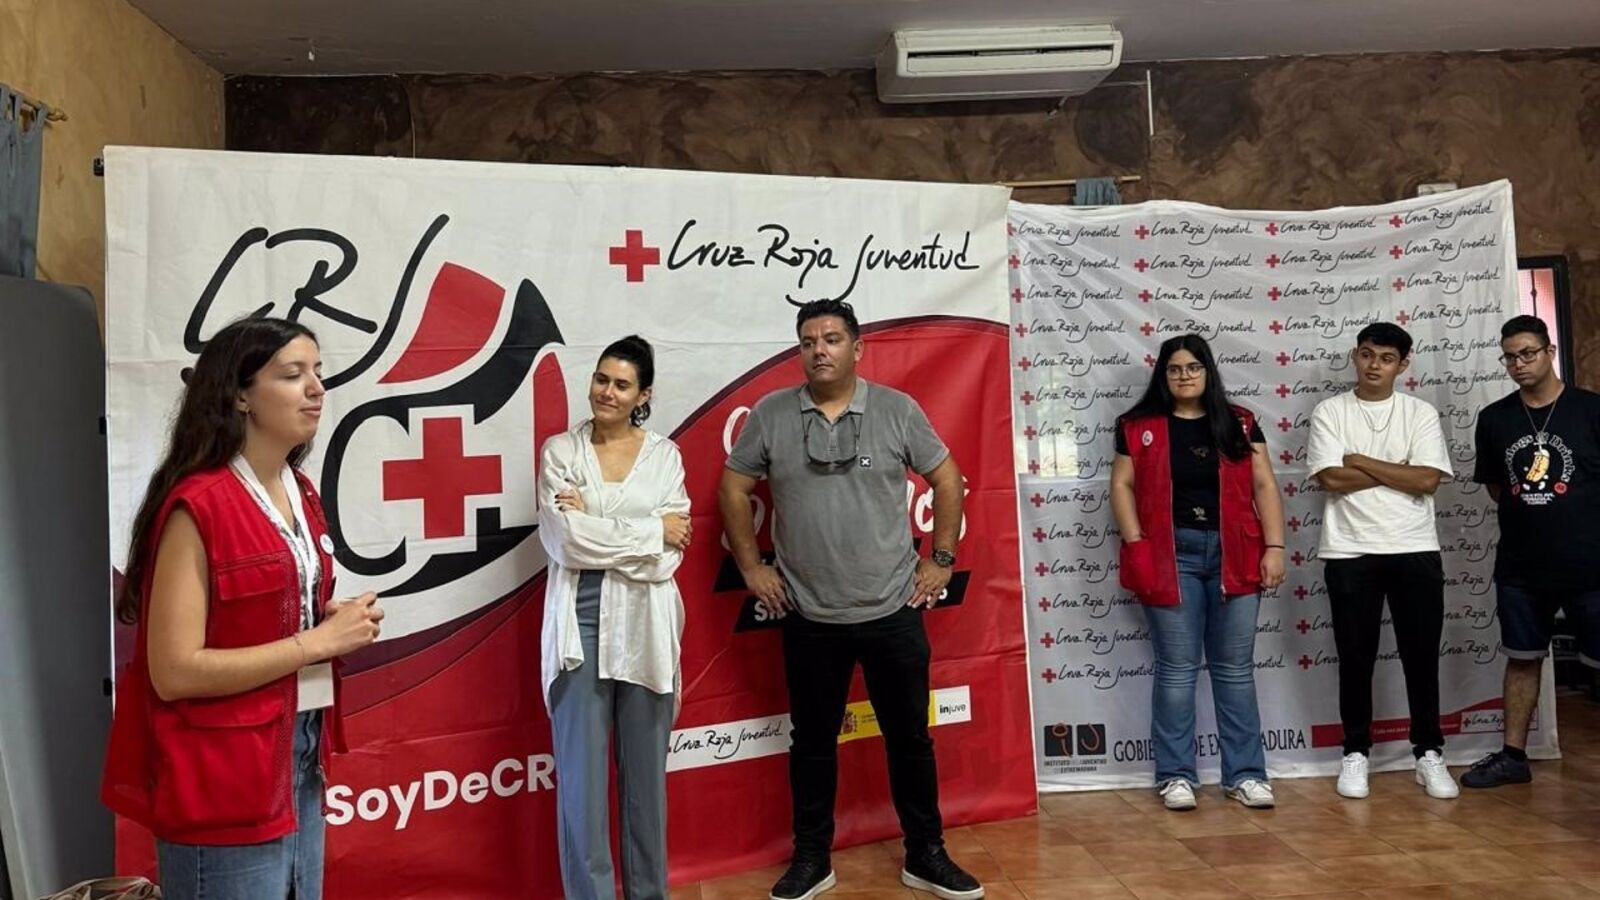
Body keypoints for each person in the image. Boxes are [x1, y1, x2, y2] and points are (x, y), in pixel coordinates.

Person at [101, 316, 383, 900]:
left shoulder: (300, 490)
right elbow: (174, 670)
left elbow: (261, 614)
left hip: (298, 754)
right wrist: (316, 643)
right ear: (239, 396)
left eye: (318, 372)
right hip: (223, 777)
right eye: (293, 374)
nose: (317, 388)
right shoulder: (198, 505)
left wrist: (323, 618)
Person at [718, 300, 981, 900]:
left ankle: (926, 854)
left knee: (910, 740)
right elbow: (733, 486)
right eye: (808, 340)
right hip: (809, 615)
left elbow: (946, 478)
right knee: (812, 744)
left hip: (892, 609)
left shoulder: (896, 409)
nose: (820, 350)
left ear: (857, 348)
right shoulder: (772, 414)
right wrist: (752, 566)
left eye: (832, 338)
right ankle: (813, 859)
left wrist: (941, 558)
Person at [538, 335, 691, 900]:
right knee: (582, 787)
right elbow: (566, 542)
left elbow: (672, 556)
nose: (607, 391)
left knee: (645, 785)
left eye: (622, 384)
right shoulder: (561, 452)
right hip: (578, 627)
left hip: (648, 626)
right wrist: (651, 530)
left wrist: (597, 523)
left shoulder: (665, 457)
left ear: (642, 395)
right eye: (601, 379)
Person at [1111, 334, 1285, 811]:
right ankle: (1175, 776)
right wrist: (1136, 542)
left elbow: (1265, 485)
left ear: (1208, 372)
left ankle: (1246, 775)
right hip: (1172, 557)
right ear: (1162, 376)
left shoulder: (1240, 422)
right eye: (1174, 369)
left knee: (1235, 671)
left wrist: (1275, 546)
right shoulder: (1137, 426)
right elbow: (1122, 485)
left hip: (1236, 555)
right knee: (1176, 670)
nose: (1184, 376)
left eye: (1193, 367)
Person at [1307, 322, 1458, 800]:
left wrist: (1362, 461)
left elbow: (1428, 481)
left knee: (1421, 655)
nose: (1375, 365)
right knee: (1355, 657)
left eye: (1387, 358)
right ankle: (1355, 753)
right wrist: (1400, 471)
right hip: (1349, 549)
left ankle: (1428, 752)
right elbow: (1331, 479)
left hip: (1414, 547)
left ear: (1403, 364)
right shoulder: (1331, 411)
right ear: (1356, 356)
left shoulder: (1419, 412)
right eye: (1368, 354)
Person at [1463, 315, 1600, 787]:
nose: (1519, 364)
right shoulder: (1495, 419)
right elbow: (1498, 488)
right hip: (1521, 567)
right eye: (1510, 357)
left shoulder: (1590, 410)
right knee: (1522, 657)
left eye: (1527, 353)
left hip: (1591, 565)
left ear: (1549, 352)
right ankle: (1513, 757)